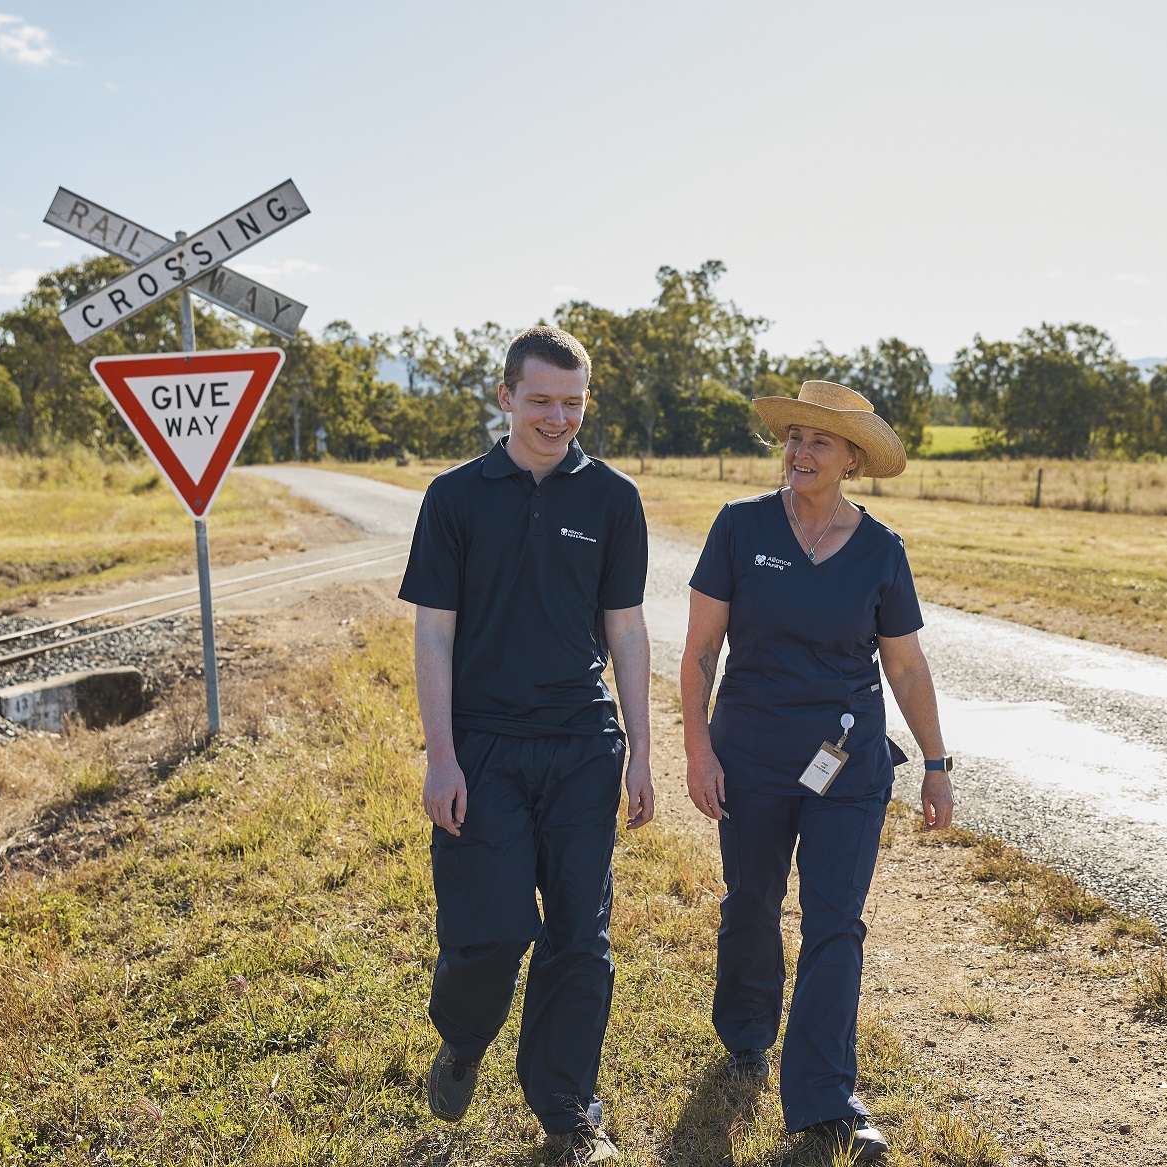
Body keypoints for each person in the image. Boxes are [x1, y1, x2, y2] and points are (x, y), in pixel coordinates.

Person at [680, 380, 954, 1161]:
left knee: (836, 921)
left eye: (819, 442)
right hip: (753, 756)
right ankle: (744, 1032)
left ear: (853, 459)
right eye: (793, 436)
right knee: (753, 903)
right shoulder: (739, 527)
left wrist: (936, 763)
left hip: (849, 763)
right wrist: (699, 750)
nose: (800, 452)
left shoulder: (881, 549)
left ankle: (825, 1096)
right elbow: (700, 651)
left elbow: (905, 665)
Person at [399, 325, 653, 1164]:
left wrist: (644, 750)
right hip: (484, 746)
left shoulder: (612, 499)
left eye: (573, 403)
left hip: (583, 741)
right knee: (493, 929)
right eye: (541, 400)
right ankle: (466, 1035)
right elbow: (434, 634)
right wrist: (442, 755)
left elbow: (625, 629)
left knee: (581, 934)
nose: (558, 418)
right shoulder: (456, 497)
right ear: (505, 396)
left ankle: (568, 1106)